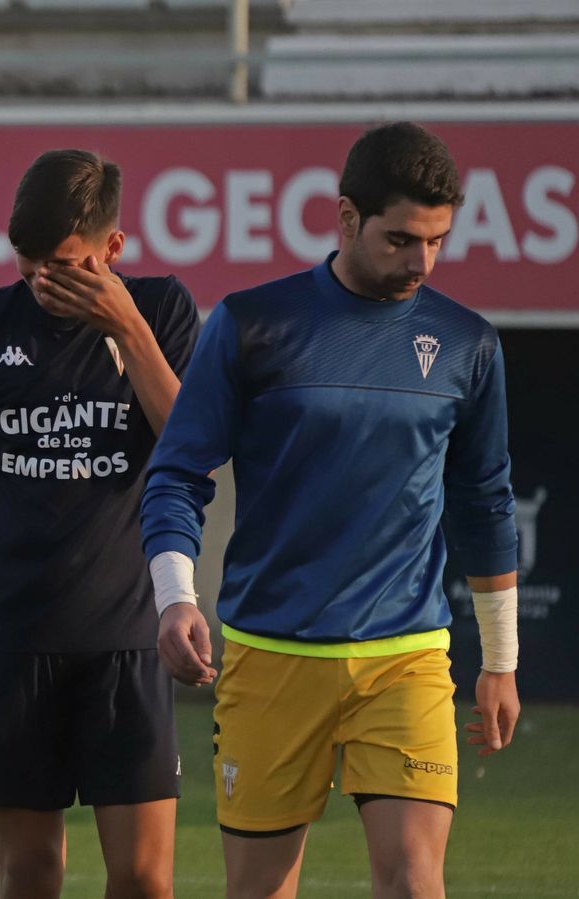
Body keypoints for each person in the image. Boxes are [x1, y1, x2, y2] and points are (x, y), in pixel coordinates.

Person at [141, 121, 521, 899]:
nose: (422, 262)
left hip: (407, 655)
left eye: (439, 241)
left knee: (416, 881)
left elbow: (484, 498)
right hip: (269, 655)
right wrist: (175, 597)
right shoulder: (251, 325)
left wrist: (501, 659)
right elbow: (176, 475)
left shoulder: (466, 343)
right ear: (346, 218)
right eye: (401, 239)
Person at [0, 149, 198, 899]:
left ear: (113, 250)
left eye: (65, 262)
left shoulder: (161, 309)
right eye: (28, 260)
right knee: (29, 873)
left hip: (126, 638)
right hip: (15, 638)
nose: (43, 278)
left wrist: (127, 327)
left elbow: (191, 445)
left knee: (142, 878)